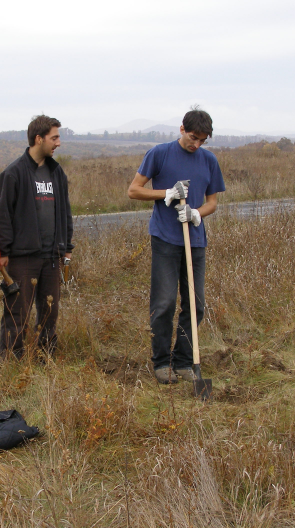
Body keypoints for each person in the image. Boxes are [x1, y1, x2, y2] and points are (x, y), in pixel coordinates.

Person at [127, 107, 225, 384]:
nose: (197, 144)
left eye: (203, 140)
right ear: (182, 129)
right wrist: (166, 194)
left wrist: (196, 213)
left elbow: (212, 203)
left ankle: (183, 361)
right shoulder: (159, 153)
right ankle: (161, 362)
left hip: (195, 242)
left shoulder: (209, 160)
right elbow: (134, 190)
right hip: (165, 239)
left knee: (196, 305)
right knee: (165, 302)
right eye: (193, 137)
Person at [0, 115, 74, 359]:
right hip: (22, 257)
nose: (58, 143)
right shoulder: (14, 173)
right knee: (17, 310)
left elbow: (65, 212)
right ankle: (12, 359)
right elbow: (3, 216)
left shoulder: (56, 173)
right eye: (54, 137)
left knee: (51, 310)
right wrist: (2, 252)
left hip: (52, 256)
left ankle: (45, 356)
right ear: (38, 139)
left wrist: (66, 247)